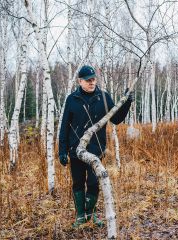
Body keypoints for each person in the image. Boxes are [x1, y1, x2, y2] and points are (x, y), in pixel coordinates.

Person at [58, 65, 133, 228]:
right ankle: (80, 217)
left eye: (94, 79)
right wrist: (62, 150)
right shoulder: (72, 99)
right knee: (78, 183)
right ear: (80, 81)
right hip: (76, 150)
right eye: (88, 80)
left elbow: (116, 119)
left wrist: (126, 103)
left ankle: (91, 215)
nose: (92, 82)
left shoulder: (104, 97)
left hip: (96, 150)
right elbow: (64, 126)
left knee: (93, 183)